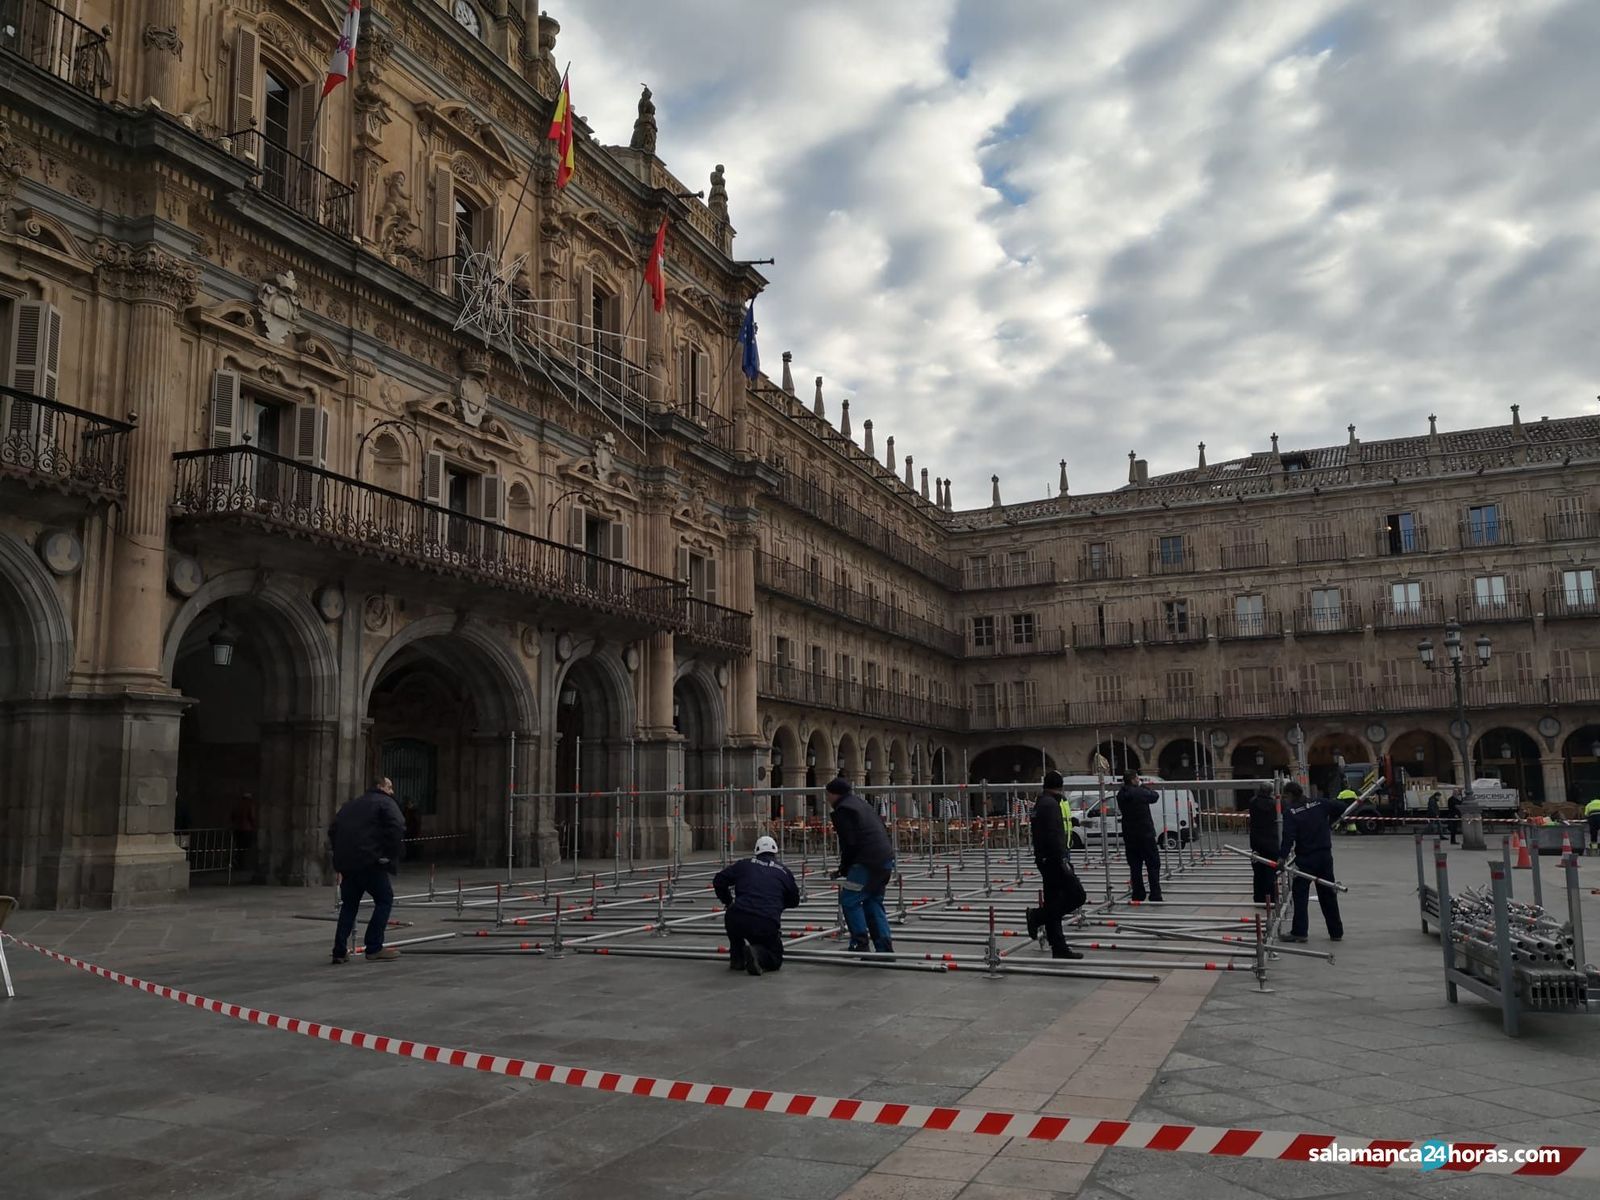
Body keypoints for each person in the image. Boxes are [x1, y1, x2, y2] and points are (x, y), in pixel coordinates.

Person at [328, 777, 406, 964]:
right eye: (389, 787)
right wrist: (390, 854)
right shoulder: (385, 803)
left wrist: (341, 855)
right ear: (380, 787)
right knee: (384, 899)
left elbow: (333, 830)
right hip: (371, 862)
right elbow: (397, 826)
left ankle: (339, 951)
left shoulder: (350, 805)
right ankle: (374, 947)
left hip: (349, 864)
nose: (392, 791)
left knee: (349, 905)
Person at [826, 777, 895, 955]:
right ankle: (884, 948)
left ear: (834, 794)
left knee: (849, 899)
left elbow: (849, 842)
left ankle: (859, 943)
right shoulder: (861, 804)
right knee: (873, 900)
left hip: (865, 862)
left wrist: (844, 867)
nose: (827, 799)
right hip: (884, 859)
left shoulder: (844, 809)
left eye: (827, 795)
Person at [713, 835, 799, 976]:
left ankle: (738, 958)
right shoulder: (784, 872)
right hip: (765, 920)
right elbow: (794, 900)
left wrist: (728, 902)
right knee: (775, 957)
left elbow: (719, 881)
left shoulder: (744, 864)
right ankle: (757, 954)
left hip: (737, 916)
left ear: (756, 851)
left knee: (735, 923)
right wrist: (776, 905)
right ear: (775, 852)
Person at [1024, 772, 1085, 959]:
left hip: (1046, 859)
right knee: (1077, 895)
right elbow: (1053, 835)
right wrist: (1062, 860)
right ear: (1060, 785)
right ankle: (1037, 916)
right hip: (1054, 859)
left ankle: (1058, 947)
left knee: (1054, 901)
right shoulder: (1050, 805)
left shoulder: (1042, 802)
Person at [1278, 781, 1344, 944]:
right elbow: (1341, 807)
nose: (1284, 800)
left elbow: (1288, 837)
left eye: (1285, 796)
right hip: (1325, 856)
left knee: (1300, 894)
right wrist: (1330, 823)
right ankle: (1336, 932)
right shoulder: (1319, 803)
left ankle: (1300, 932)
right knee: (1328, 893)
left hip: (1306, 858)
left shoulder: (1291, 813)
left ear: (1292, 795)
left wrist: (1281, 857)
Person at [1115, 771, 1163, 902]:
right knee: (1153, 864)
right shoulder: (1140, 792)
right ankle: (1155, 893)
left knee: (1135, 866)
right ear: (1132, 779)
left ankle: (1138, 893)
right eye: (1137, 777)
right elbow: (1155, 796)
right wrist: (1142, 785)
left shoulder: (1121, 794)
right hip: (1145, 833)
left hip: (1129, 834)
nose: (1138, 779)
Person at [1247, 787, 1279, 905]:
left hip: (1256, 841)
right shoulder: (1274, 804)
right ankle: (1270, 900)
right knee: (1270, 872)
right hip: (1271, 841)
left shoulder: (1253, 802)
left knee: (1258, 871)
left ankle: (1259, 898)